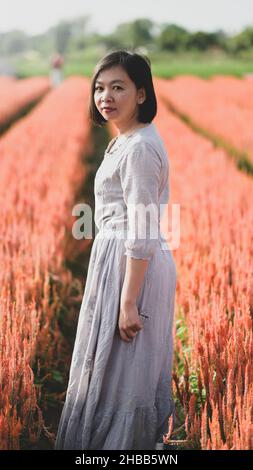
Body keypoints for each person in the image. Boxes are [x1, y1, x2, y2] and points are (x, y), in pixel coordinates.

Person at [54, 49, 177, 450]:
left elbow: (141, 228)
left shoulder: (139, 147)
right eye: (99, 87)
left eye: (118, 87)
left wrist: (128, 301)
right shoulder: (127, 139)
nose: (105, 96)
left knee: (125, 372)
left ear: (141, 94)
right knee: (116, 370)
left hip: (131, 265)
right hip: (119, 259)